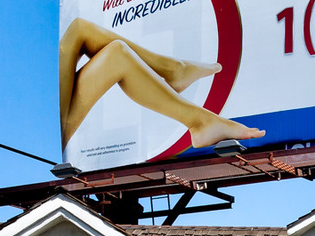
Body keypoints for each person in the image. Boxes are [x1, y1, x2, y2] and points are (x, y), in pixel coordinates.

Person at [59, 18, 264, 150]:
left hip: (56, 115)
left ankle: (175, 70)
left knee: (98, 40)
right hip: (58, 124)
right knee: (115, 54)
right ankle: (194, 111)